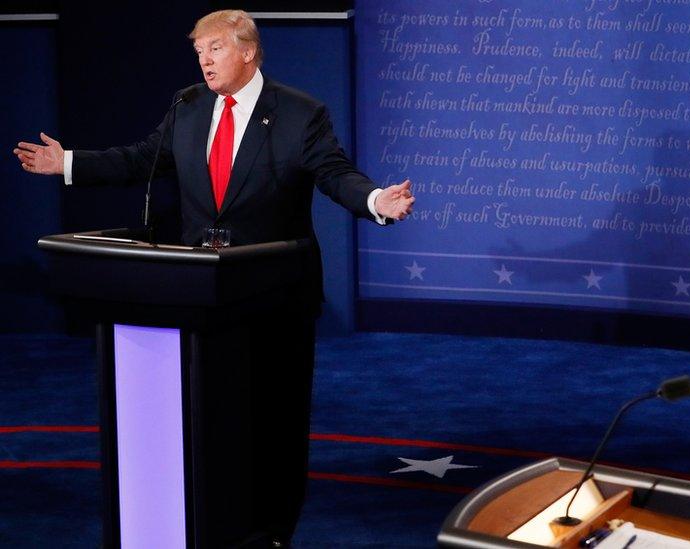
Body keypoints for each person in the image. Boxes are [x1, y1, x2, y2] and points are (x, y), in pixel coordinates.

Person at [13, 9, 414, 547]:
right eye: (199, 50)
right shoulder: (188, 106)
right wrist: (68, 164)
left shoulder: (299, 113)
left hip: (274, 296)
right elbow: (140, 160)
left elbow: (334, 173)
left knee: (275, 420)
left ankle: (273, 529)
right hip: (201, 295)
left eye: (215, 48)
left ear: (248, 51)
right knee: (215, 417)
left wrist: (374, 200)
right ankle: (214, 515)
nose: (204, 59)